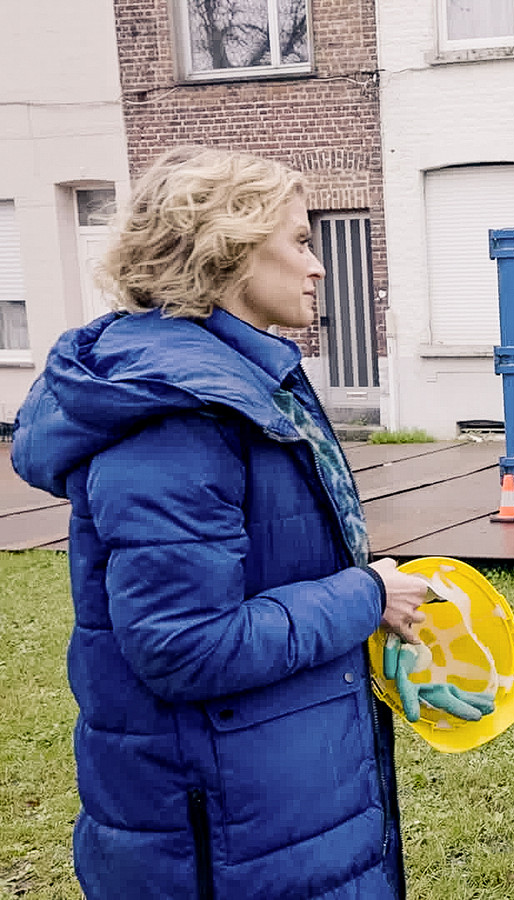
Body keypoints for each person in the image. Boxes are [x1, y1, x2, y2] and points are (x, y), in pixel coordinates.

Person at [9, 146, 433, 897]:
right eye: (299, 242)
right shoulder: (178, 414)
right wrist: (366, 595)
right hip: (223, 832)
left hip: (268, 796)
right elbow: (184, 646)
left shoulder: (239, 381)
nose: (319, 267)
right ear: (228, 251)